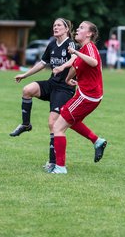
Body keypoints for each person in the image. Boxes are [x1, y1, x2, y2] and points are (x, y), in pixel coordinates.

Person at [9, 18, 76, 171]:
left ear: (66, 29)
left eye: (59, 25)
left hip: (64, 88)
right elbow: (42, 63)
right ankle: (26, 124)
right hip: (52, 84)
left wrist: (61, 68)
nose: (55, 27)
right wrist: (25, 75)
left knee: (53, 123)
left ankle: (53, 162)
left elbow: (74, 59)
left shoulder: (70, 44)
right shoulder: (52, 44)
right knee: (27, 90)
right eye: (54, 25)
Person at [50, 21, 107, 174]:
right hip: (85, 95)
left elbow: (93, 62)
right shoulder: (83, 50)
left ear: (89, 34)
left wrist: (75, 53)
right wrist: (68, 78)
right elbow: (76, 66)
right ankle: (97, 141)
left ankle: (60, 167)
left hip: (88, 96)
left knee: (58, 127)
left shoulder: (89, 48)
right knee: (68, 118)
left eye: (82, 28)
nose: (78, 30)